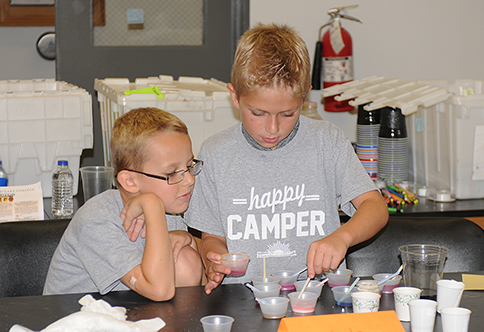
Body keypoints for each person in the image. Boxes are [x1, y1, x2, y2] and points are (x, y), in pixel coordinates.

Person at [184, 23, 389, 295]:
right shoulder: (215, 153)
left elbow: (375, 207)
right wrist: (214, 259)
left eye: (288, 114)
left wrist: (342, 237)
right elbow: (212, 236)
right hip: (241, 298)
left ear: (304, 98)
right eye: (258, 113)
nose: (272, 128)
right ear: (235, 96)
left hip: (316, 296)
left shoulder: (326, 141)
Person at [44, 107, 204, 301]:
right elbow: (160, 291)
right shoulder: (96, 219)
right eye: (171, 173)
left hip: (131, 316)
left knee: (187, 259)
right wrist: (152, 204)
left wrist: (190, 241)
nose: (189, 180)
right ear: (130, 181)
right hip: (76, 322)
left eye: (189, 166)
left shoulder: (172, 206)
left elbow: (202, 285)